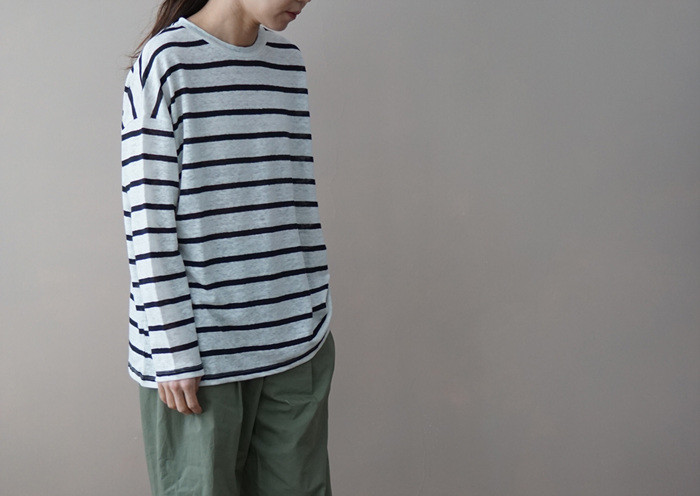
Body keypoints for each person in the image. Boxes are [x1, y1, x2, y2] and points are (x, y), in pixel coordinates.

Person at [120, 1, 334, 494]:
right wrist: (173, 349)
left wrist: (314, 311)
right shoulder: (164, 63)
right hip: (199, 358)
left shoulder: (288, 64)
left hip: (295, 343)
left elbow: (295, 197)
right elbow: (148, 221)